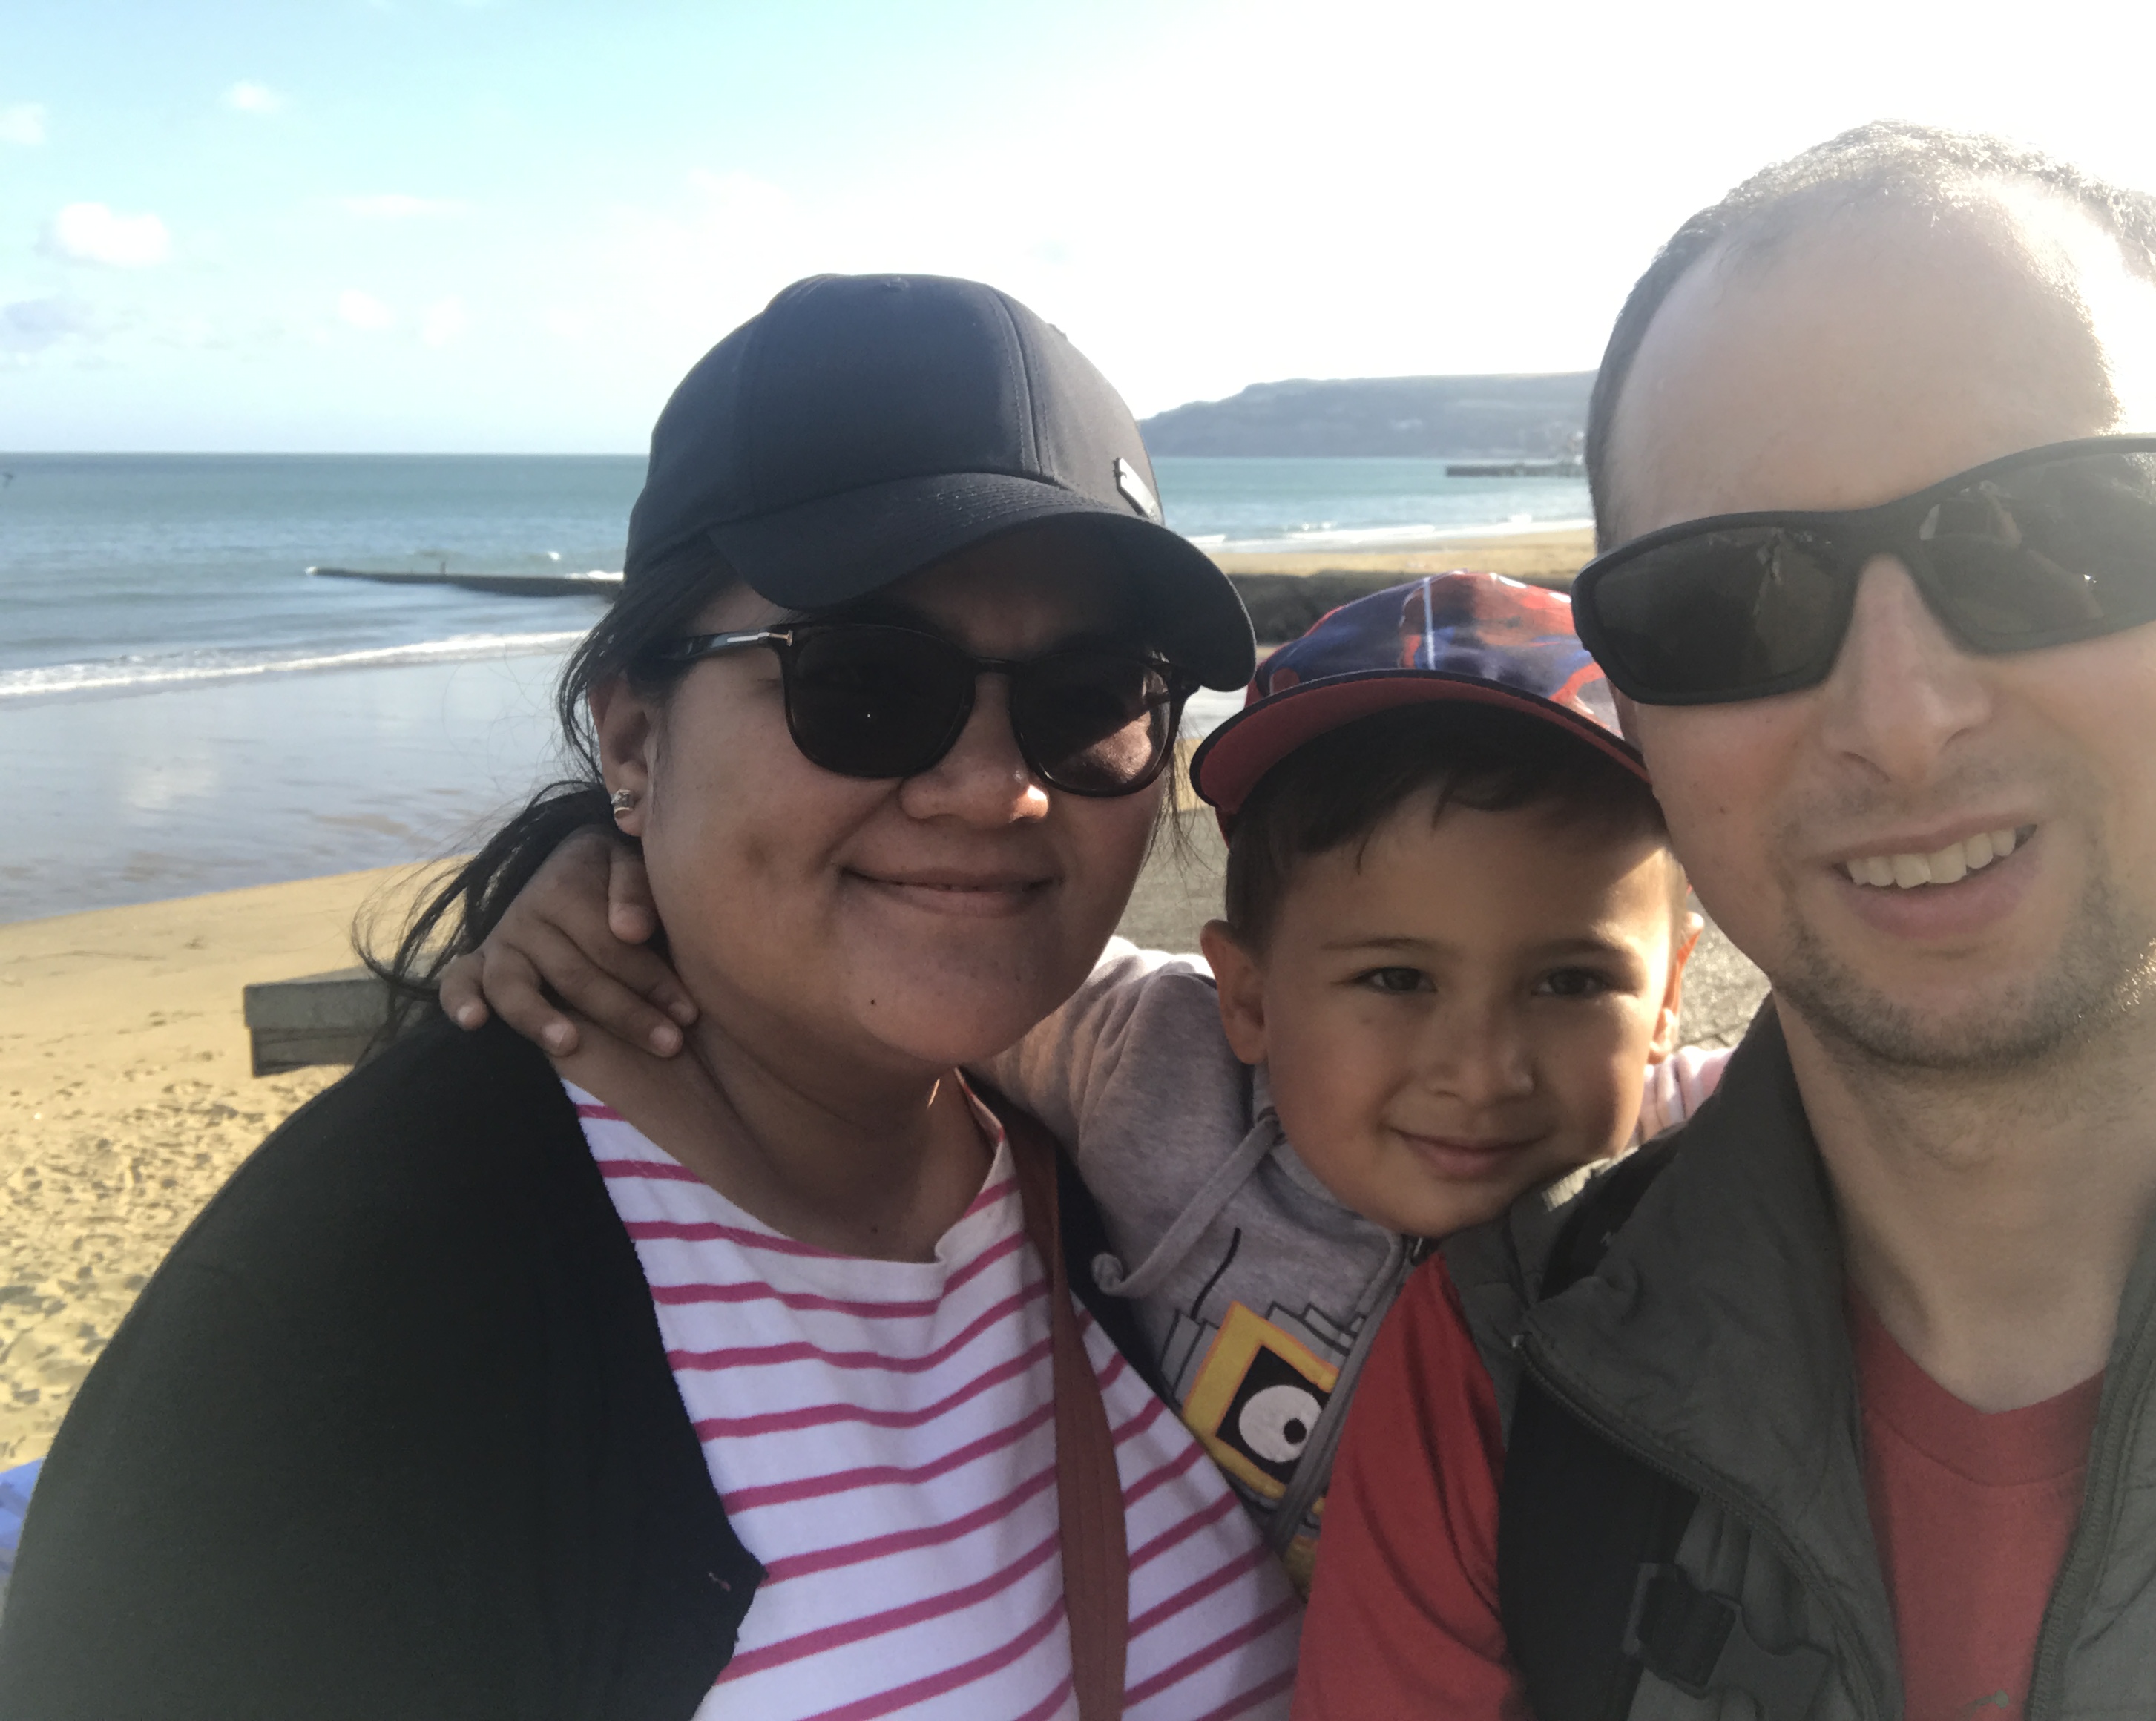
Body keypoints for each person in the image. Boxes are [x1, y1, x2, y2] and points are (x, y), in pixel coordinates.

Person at [0, 274, 1301, 1719]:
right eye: (865, 684)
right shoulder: (370, 1323)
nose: (998, 789)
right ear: (632, 737)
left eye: (1091, 694)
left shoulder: (1114, 1140)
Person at [1297, 123, 2156, 1720]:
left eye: (2058, 537)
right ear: (1640, 722)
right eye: (1728, 601)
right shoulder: (1505, 1377)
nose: (1901, 721)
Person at [443, 568, 1726, 1592]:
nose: (1482, 1070)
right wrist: (620, 878)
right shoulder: (1150, 1062)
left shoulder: (1712, 1171)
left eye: (1572, 983)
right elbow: (916, 959)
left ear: (1672, 989)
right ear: (1248, 996)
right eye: (1395, 978)